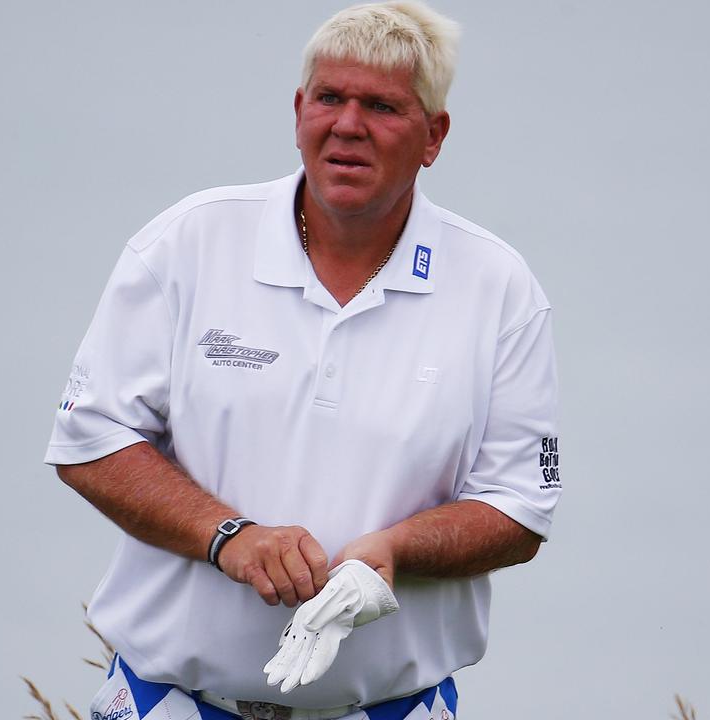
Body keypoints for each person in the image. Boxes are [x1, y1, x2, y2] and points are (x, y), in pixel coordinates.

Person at [44, 3, 561, 719]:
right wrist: (229, 538)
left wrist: (393, 552)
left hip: (392, 707)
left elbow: (520, 507)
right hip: (168, 701)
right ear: (298, 111)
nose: (348, 124)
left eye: (381, 106)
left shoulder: (499, 287)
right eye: (330, 98)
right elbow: (90, 439)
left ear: (434, 135)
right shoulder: (188, 243)